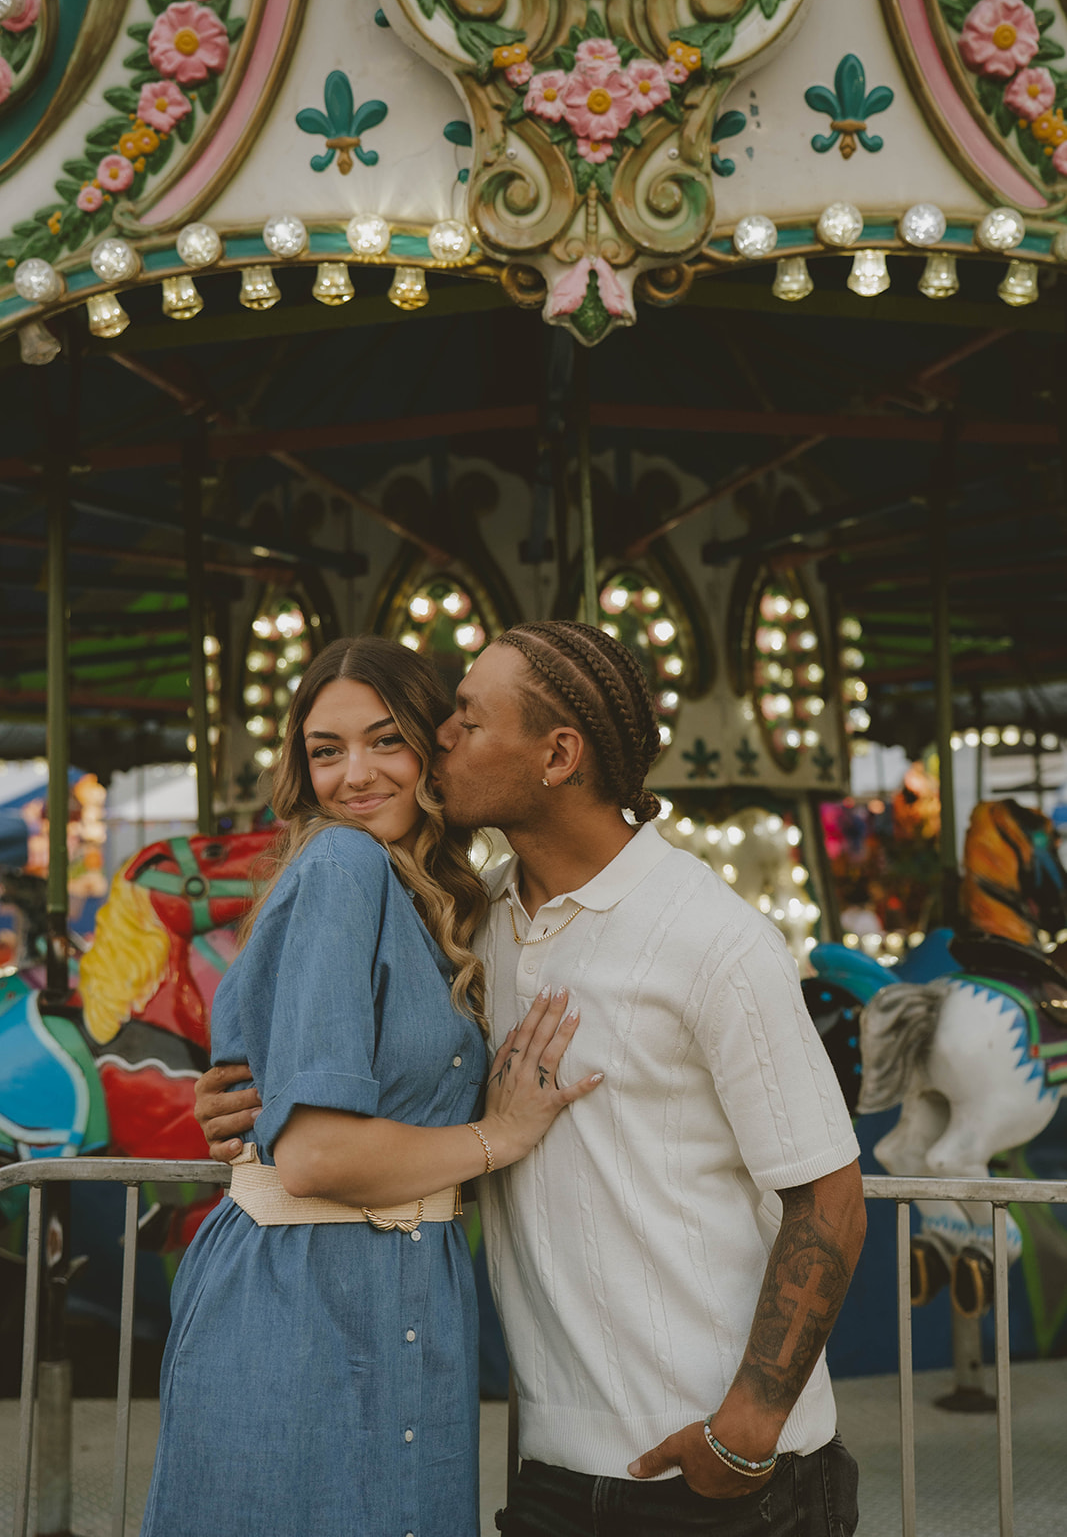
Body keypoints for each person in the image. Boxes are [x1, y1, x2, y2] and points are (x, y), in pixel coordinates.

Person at [199, 621, 867, 1537]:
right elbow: (398, 1096)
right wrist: (254, 1087)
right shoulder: (480, 927)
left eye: (465, 722)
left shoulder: (713, 937)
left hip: (713, 1464)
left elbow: (828, 1196)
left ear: (557, 755)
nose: (441, 738)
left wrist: (746, 1431)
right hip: (552, 1465)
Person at [141, 637, 602, 1537]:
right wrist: (498, 1137)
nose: (354, 775)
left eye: (385, 740)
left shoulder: (433, 894)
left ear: (434, 747)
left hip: (397, 1291)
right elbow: (316, 1153)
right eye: (325, 749)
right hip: (302, 1299)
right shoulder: (343, 866)